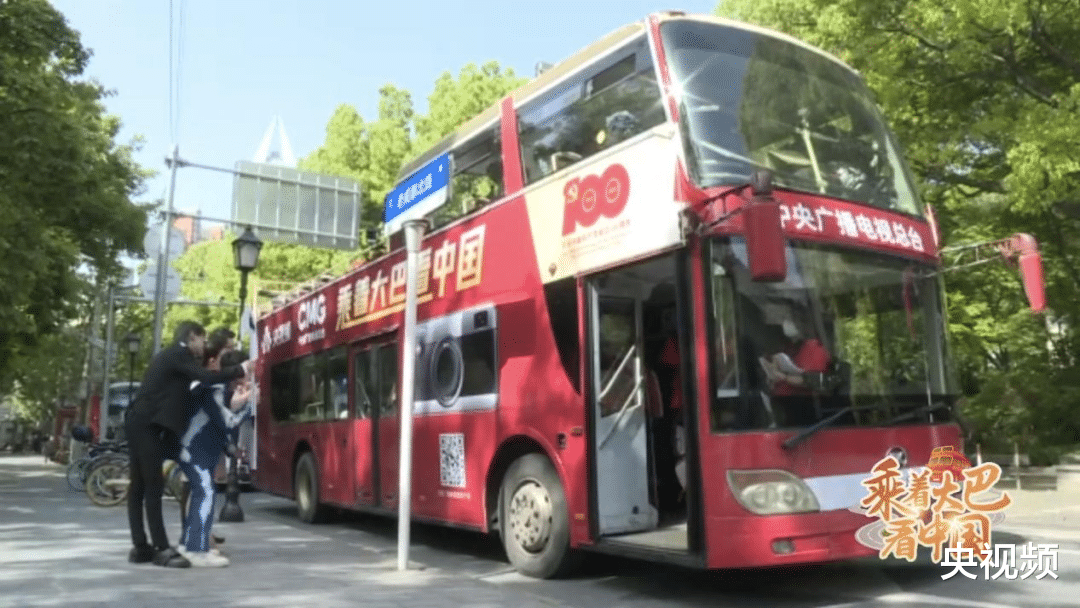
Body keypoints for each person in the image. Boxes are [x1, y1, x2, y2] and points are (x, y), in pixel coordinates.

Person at [125, 321, 250, 568]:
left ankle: (141, 546)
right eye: (201, 341)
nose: (203, 348)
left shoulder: (171, 357)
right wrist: (240, 369)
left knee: (139, 485)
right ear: (192, 337)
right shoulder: (177, 354)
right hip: (147, 424)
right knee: (152, 485)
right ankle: (161, 548)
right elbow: (204, 376)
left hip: (140, 422)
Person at [177, 349, 252, 567]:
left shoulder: (218, 390)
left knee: (203, 493)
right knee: (205, 493)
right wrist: (250, 403)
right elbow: (228, 422)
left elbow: (220, 424)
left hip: (196, 449)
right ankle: (197, 550)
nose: (249, 376)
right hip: (194, 449)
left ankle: (188, 543)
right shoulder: (215, 390)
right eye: (247, 371)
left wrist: (231, 449)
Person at [176, 327, 236, 553]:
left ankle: (198, 535)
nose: (230, 355)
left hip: (202, 443)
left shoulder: (209, 381)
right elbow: (215, 414)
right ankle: (194, 539)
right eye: (228, 350)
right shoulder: (205, 382)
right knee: (197, 489)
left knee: (201, 489)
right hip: (194, 444)